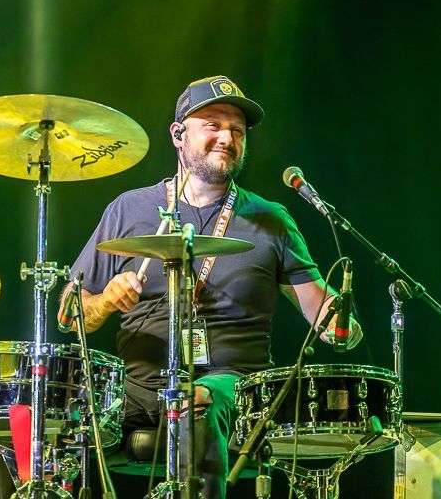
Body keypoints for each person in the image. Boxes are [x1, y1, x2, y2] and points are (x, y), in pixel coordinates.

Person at [63, 75, 362, 498]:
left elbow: (328, 320)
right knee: (39, 409)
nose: (228, 137)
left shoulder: (270, 219)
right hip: (137, 385)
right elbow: (69, 315)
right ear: (178, 134)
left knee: (195, 399)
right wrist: (106, 300)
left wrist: (341, 319)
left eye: (237, 131)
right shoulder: (130, 208)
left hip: (232, 385)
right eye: (214, 125)